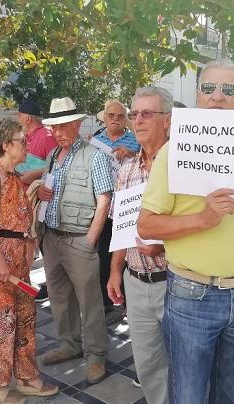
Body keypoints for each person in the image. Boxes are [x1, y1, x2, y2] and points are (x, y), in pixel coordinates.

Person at [137, 59, 234, 404]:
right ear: (198, 95)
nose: (217, 97)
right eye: (209, 89)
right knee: (189, 396)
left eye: (228, 90)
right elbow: (146, 225)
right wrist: (204, 219)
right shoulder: (174, 151)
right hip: (191, 294)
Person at [0, 118, 58, 403]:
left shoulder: (11, 174)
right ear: (7, 145)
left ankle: (27, 376)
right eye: (22, 139)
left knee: (24, 319)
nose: (27, 143)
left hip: (17, 263)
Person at [37, 97, 113, 384]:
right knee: (59, 297)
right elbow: (50, 189)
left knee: (89, 301)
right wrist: (43, 194)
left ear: (78, 124)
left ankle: (96, 355)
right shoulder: (52, 155)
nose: (58, 131)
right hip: (52, 238)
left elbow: (104, 199)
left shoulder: (96, 156)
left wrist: (90, 240)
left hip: (80, 239)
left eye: (64, 125)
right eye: (54, 126)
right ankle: (69, 344)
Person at [107, 86, 173, 404]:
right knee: (148, 366)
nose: (138, 120)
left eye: (148, 113)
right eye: (135, 114)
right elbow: (121, 228)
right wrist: (115, 271)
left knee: (183, 366)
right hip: (135, 282)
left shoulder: (182, 168)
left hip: (175, 283)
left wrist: (164, 245)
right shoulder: (126, 170)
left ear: (168, 121)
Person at [93, 99, 141, 310]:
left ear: (125, 119)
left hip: (128, 206)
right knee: (103, 254)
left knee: (128, 256)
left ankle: (126, 301)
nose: (114, 119)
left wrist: (131, 155)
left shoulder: (135, 140)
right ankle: (105, 300)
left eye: (120, 116)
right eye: (111, 116)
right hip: (102, 206)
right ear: (104, 118)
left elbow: (147, 162)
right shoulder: (94, 140)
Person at [15, 99, 58, 302]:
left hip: (41, 198)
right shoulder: (27, 136)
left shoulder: (47, 136)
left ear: (28, 117)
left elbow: (57, 163)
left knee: (39, 241)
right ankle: (28, 282)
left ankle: (50, 284)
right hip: (26, 197)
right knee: (30, 240)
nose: (17, 118)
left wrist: (33, 174)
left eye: (19, 114)